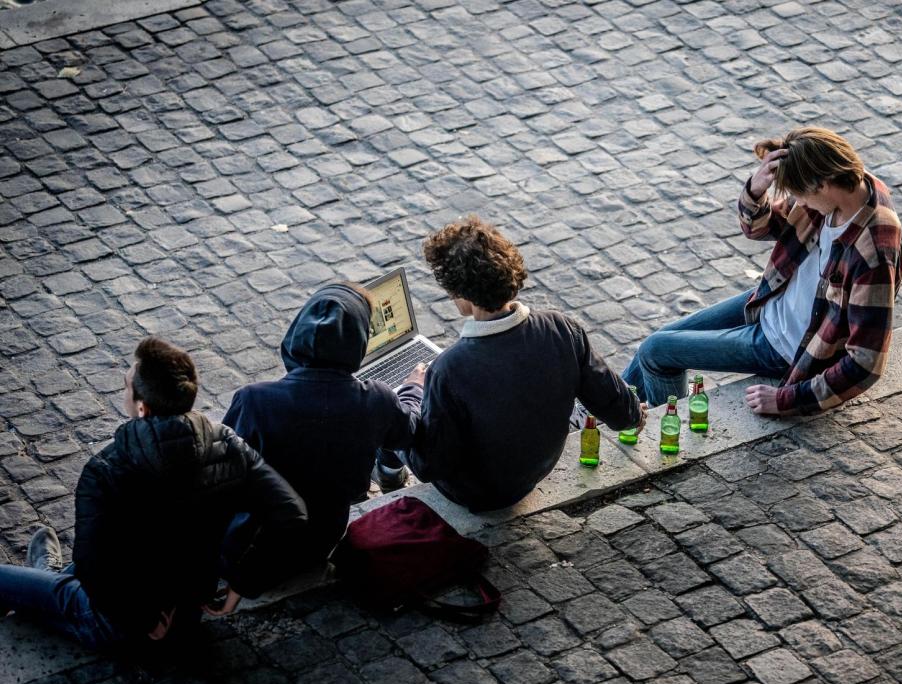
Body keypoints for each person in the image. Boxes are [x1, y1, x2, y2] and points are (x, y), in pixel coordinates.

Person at [0, 337, 307, 649]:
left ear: (142, 408)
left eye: (126, 387)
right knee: (73, 572)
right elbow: (292, 513)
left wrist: (142, 620)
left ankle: (45, 578)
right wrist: (243, 583)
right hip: (187, 612)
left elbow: (93, 568)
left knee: (22, 583)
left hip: (120, 624)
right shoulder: (229, 445)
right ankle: (46, 574)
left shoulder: (107, 467)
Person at [622, 126, 902, 416]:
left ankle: (671, 439)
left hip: (786, 345)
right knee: (660, 338)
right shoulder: (840, 188)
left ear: (821, 184)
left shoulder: (873, 250)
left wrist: (787, 399)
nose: (800, 203)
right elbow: (762, 228)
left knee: (657, 352)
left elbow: (866, 362)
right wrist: (755, 191)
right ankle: (596, 410)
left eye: (800, 195)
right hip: (771, 300)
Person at [376, 216, 645, 512]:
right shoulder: (563, 328)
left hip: (476, 493)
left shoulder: (449, 370)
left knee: (389, 411)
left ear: (461, 296)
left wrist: (411, 392)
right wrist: (634, 415)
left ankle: (388, 475)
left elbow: (429, 465)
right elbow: (616, 407)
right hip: (534, 471)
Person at [222, 283, 420, 564]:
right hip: (323, 537)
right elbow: (409, 431)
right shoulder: (377, 399)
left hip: (261, 539)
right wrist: (412, 388)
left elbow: (225, 472)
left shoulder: (253, 401)